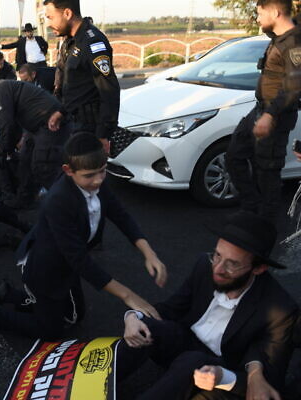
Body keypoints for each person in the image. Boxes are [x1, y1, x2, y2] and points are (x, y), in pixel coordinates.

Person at [0, 134, 167, 339]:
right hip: (45, 268)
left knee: (74, 316)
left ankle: (8, 294)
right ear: (68, 170)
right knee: (51, 330)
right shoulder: (58, 201)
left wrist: (149, 253)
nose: (98, 180)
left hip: (66, 264)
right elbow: (79, 260)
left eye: (102, 171)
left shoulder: (95, 181)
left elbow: (121, 215)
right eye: (89, 175)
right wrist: (129, 296)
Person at [115, 210, 298, 400]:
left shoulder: (281, 309)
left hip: (221, 370)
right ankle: (92, 383)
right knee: (146, 328)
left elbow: (268, 381)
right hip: (185, 345)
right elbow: (171, 309)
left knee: (192, 361)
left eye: (232, 264)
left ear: (259, 268)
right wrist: (133, 317)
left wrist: (222, 376)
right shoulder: (205, 264)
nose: (218, 269)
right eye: (218, 255)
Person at [226, 0, 301, 221]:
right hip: (259, 110)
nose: (257, 19)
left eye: (259, 14)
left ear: (275, 12)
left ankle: (264, 225)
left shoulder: (294, 42)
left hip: (275, 116)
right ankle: (251, 208)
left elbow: (294, 86)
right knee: (234, 157)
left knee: (267, 173)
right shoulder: (278, 37)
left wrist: (270, 115)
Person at [0, 73, 70, 191]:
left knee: (43, 165)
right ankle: (25, 200)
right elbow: (13, 125)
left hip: (50, 124)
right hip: (37, 127)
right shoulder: (3, 87)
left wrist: (3, 149)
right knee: (25, 162)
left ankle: (62, 199)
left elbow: (6, 124)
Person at [44, 0, 120, 154]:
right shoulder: (70, 42)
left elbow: (109, 91)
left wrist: (103, 135)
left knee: (88, 175)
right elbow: (77, 88)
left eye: (50, 17)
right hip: (74, 122)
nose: (48, 24)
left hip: (90, 128)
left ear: (67, 13)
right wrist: (62, 112)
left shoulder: (93, 42)